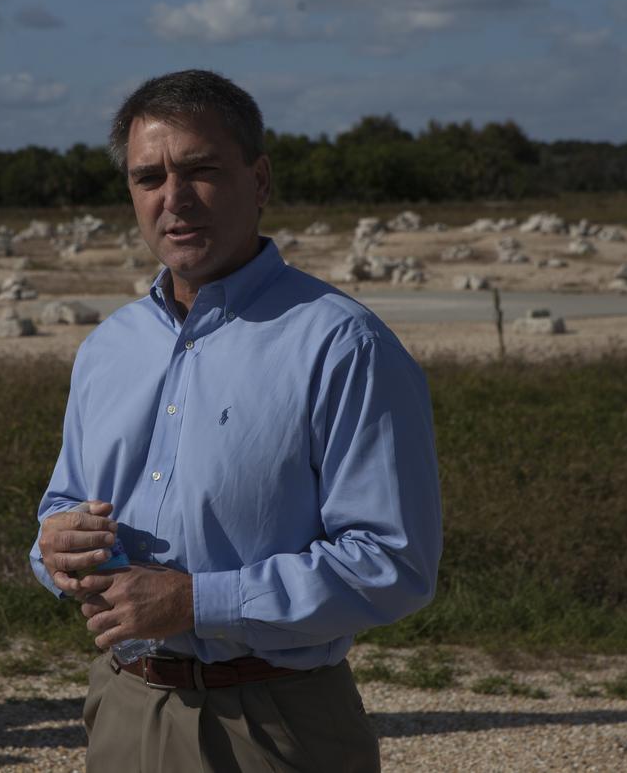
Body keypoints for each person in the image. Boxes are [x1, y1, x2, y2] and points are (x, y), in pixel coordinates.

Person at [30, 70, 442, 772]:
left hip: (273, 723)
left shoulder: (342, 344)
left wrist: (197, 601)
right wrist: (54, 550)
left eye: (201, 169)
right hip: (123, 707)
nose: (174, 198)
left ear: (259, 180)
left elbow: (394, 561)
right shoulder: (108, 347)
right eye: (148, 177)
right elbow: (62, 507)